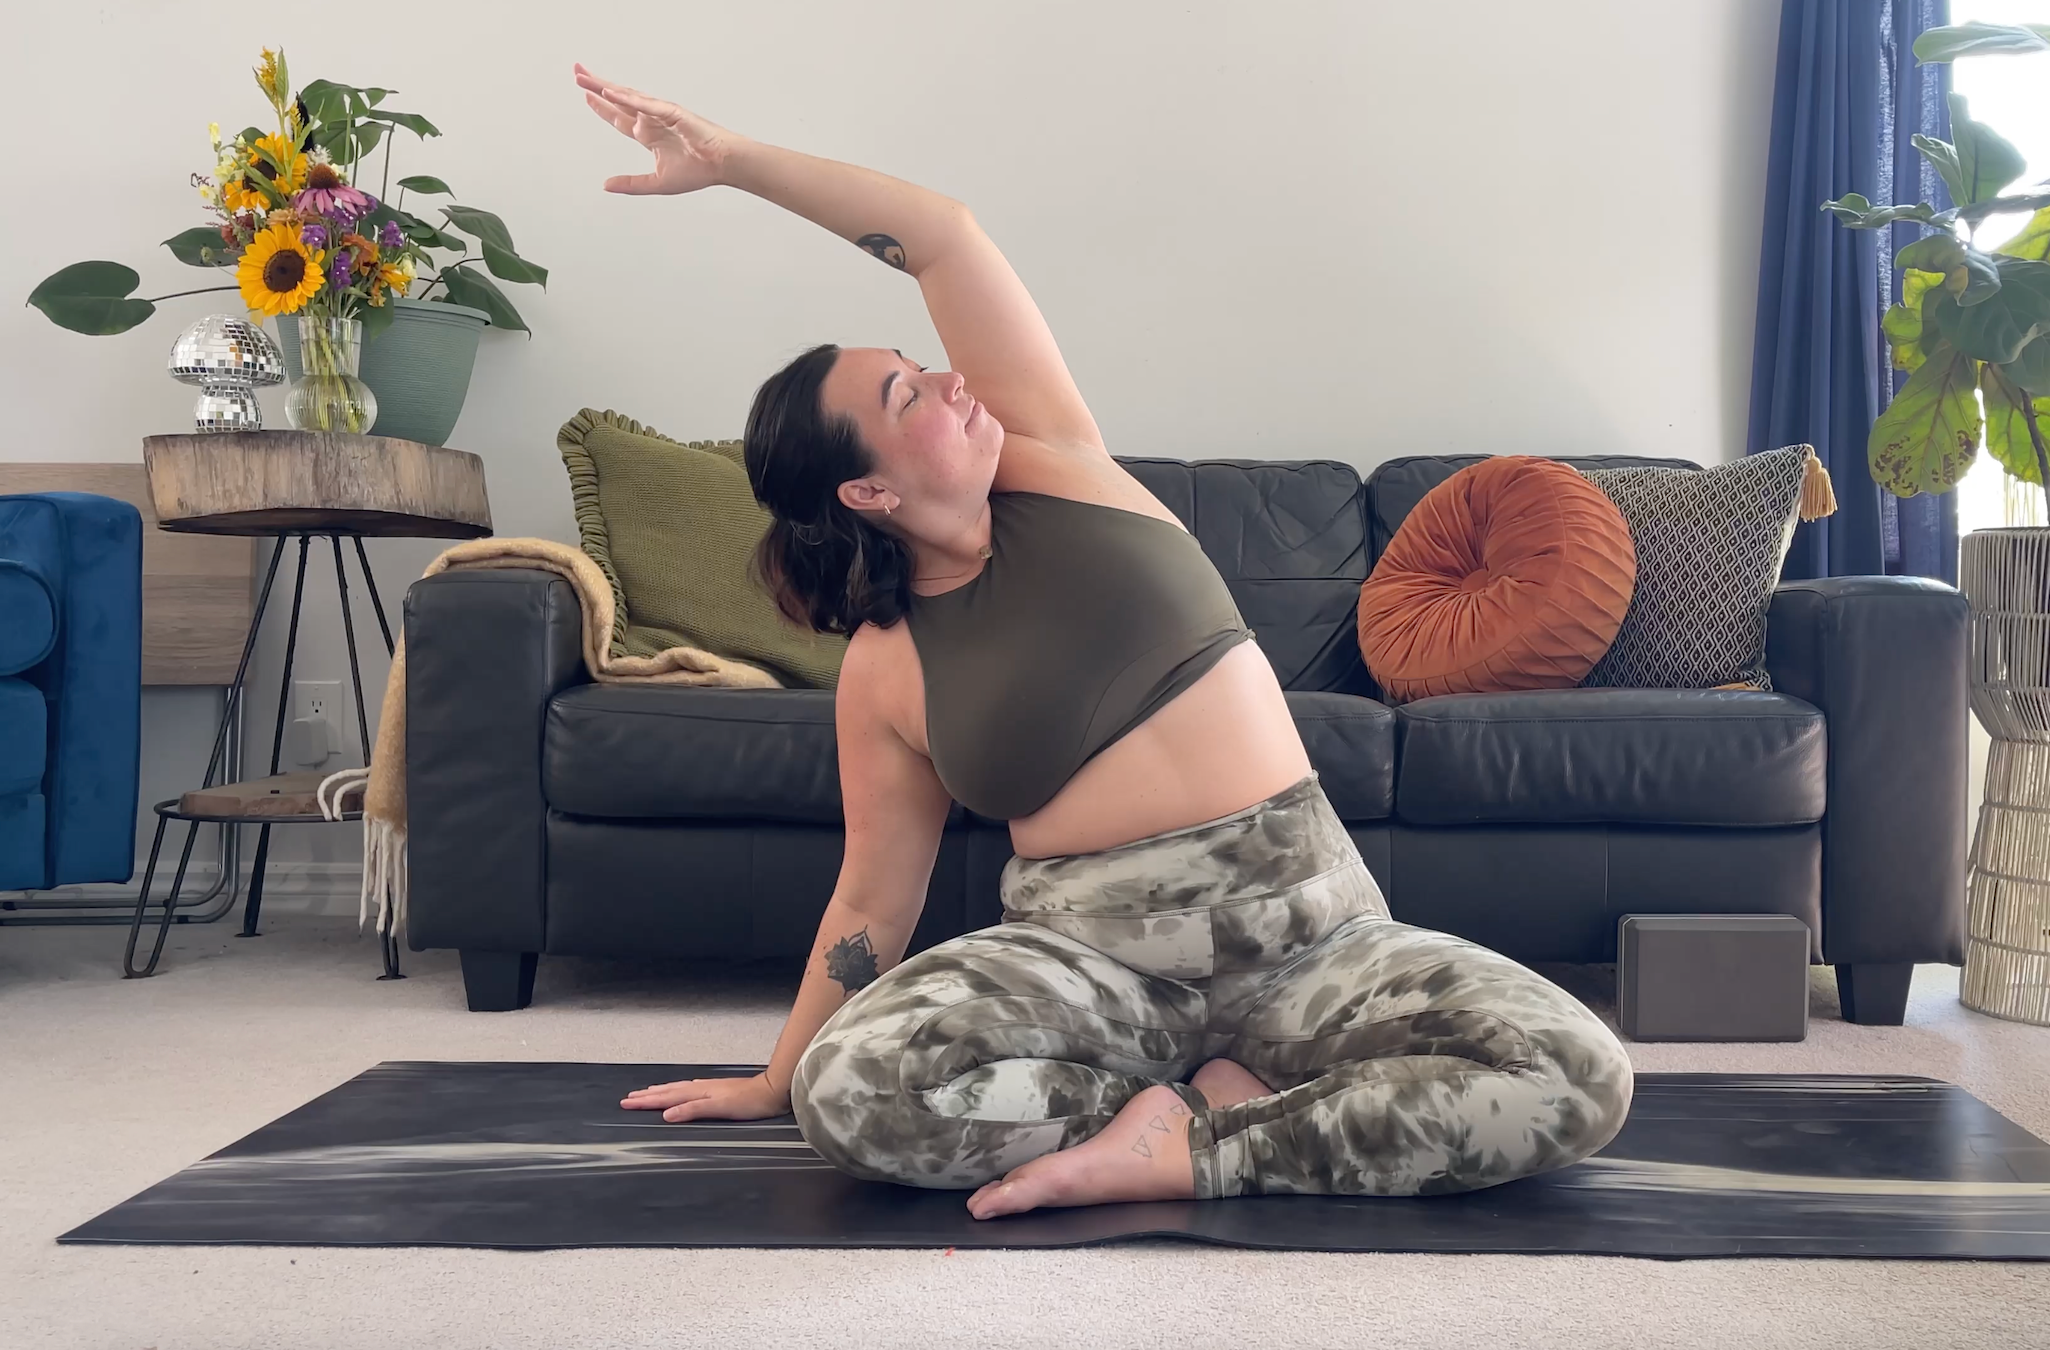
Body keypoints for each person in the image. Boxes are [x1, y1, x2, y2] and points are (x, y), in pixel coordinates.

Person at [583, 64, 1634, 1220]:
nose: (944, 380)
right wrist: (783, 1076)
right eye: (904, 397)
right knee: (852, 1095)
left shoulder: (1060, 464)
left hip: (1315, 940)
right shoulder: (888, 668)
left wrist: (732, 162)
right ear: (868, 492)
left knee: (1579, 1076)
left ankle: (1201, 1141)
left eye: (917, 365)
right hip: (1093, 967)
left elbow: (941, 238)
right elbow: (871, 898)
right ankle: (1215, 1104)